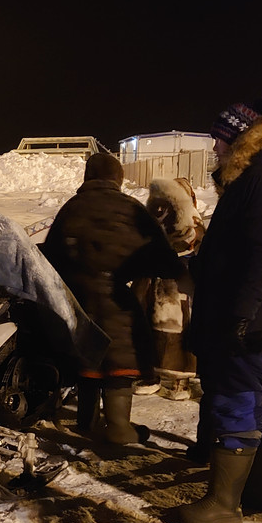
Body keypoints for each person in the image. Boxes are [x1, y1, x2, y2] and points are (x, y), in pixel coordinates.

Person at [169, 98, 262, 523]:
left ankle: (223, 504)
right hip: (239, 319)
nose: (215, 149)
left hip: (246, 324)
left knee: (236, 403)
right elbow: (230, 256)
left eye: (219, 141)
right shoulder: (251, 183)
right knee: (251, 404)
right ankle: (251, 494)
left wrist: (240, 316)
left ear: (238, 140)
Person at [41, 153, 183, 445]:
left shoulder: (71, 209)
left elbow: (49, 258)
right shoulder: (131, 210)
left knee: (87, 355)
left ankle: (86, 422)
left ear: (87, 177)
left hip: (76, 302)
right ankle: (119, 427)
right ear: (118, 179)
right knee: (119, 357)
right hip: (118, 302)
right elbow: (165, 262)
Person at [132, 177, 205, 401]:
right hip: (153, 280)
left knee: (178, 331)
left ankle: (180, 380)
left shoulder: (191, 220)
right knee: (148, 326)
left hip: (179, 284)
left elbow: (195, 243)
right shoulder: (153, 217)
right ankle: (149, 374)